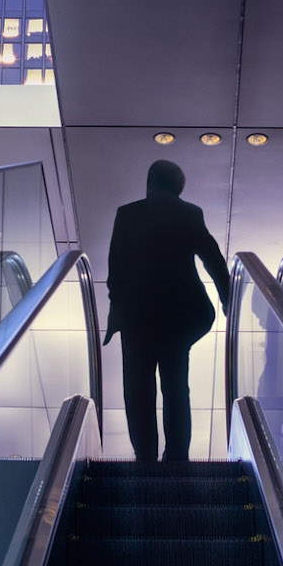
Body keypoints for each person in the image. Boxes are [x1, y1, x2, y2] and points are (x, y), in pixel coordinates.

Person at [103, 159, 232, 463]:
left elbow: (115, 268)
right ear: (178, 188)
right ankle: (176, 458)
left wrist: (118, 305)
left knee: (138, 391)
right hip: (180, 317)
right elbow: (213, 258)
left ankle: (145, 457)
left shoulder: (127, 214)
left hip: (138, 317)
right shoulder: (189, 213)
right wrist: (228, 300)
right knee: (176, 387)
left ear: (150, 183)